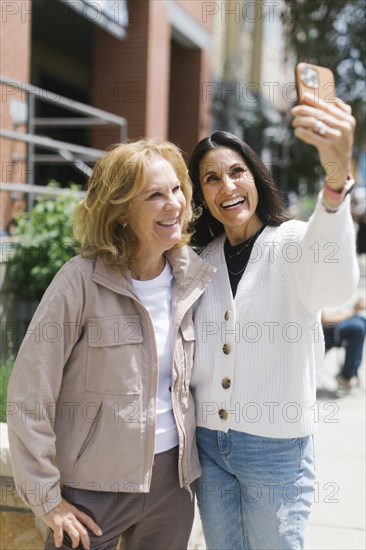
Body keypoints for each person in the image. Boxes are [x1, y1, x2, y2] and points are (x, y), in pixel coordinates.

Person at [6, 138, 215, 550]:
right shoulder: (80, 281)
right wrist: (47, 499)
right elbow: (29, 394)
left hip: (171, 484)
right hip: (91, 488)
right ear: (120, 211)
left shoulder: (194, 278)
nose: (173, 204)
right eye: (155, 195)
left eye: (176, 189)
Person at [188, 93, 359, 549]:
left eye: (236, 172)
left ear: (256, 177)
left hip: (276, 449)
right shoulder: (199, 261)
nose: (227, 187)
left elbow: (336, 284)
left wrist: (337, 181)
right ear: (201, 193)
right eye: (212, 178)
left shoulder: (292, 242)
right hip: (209, 444)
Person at [322, 297, 366, 390]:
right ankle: (347, 375)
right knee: (357, 328)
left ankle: (349, 373)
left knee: (361, 322)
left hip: (336, 323)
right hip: (326, 331)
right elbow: (327, 321)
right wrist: (354, 310)